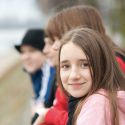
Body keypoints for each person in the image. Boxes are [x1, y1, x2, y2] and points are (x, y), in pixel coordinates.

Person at [34, 5, 125, 125]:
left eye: (58, 38)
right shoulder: (87, 98)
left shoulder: (96, 103)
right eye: (65, 66)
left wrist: (48, 114)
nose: (53, 47)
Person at [59, 27, 125, 125]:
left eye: (85, 65)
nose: (74, 75)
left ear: (102, 65)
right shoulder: (104, 99)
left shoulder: (95, 106)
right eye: (66, 66)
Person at [14, 29, 56, 118]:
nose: (26, 57)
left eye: (32, 51)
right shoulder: (35, 71)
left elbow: (42, 105)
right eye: (23, 52)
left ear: (45, 52)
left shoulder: (50, 69)